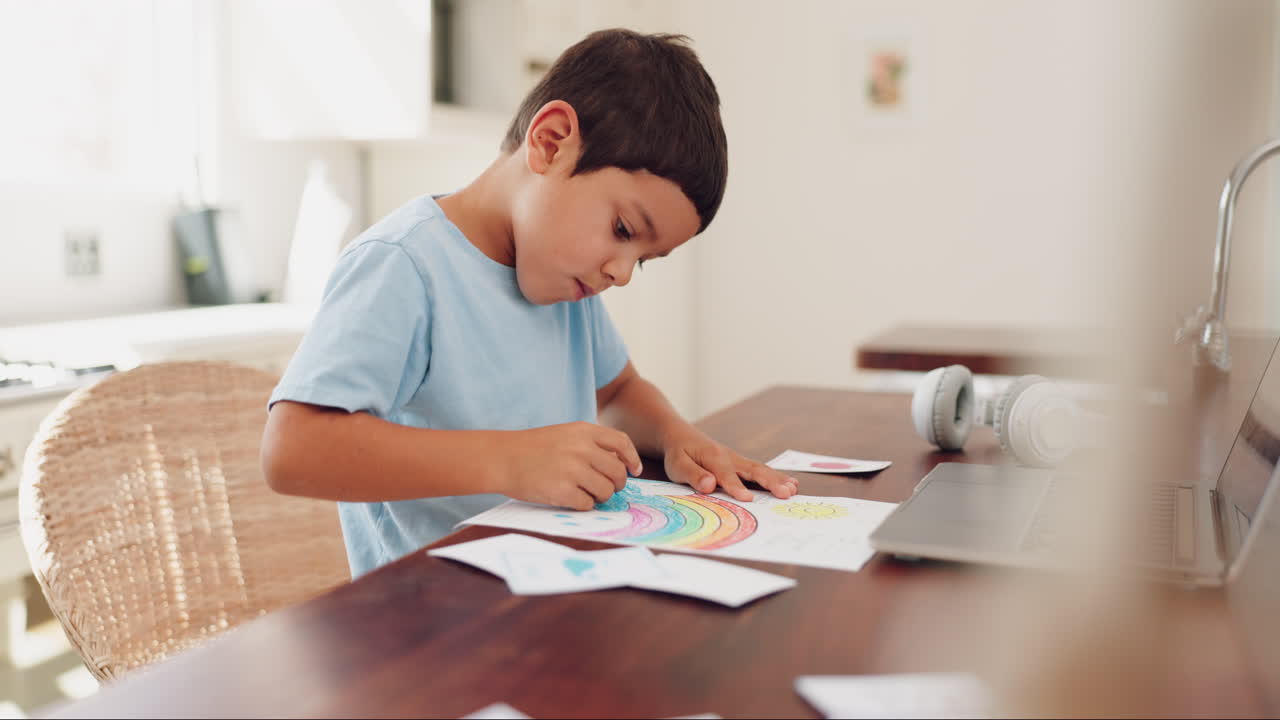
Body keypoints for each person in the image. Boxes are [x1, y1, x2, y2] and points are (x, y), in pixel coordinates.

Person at [261, 28, 798, 577]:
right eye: (622, 228)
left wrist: (676, 436)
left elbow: (617, 391)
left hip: (546, 596)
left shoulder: (565, 282)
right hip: (425, 627)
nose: (621, 272)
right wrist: (510, 462)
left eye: (641, 259)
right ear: (552, 141)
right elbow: (293, 450)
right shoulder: (405, 266)